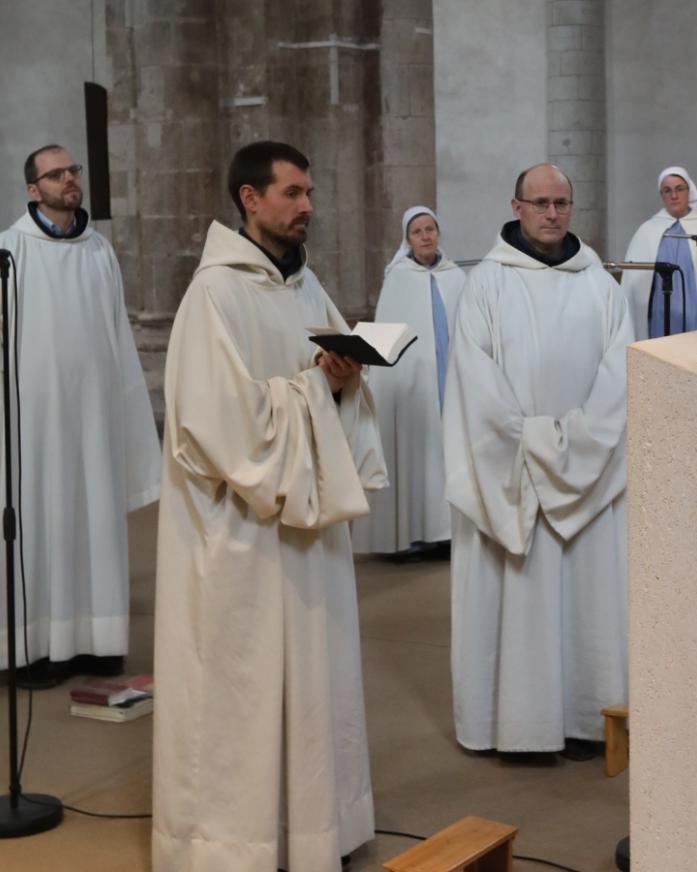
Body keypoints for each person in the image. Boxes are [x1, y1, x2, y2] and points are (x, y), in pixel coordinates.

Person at [152, 141, 387, 871]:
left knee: (313, 685)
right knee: (240, 691)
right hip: (240, 537)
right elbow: (218, 426)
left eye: (310, 192)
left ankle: (312, 829)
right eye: (292, 193)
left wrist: (344, 382)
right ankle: (235, 845)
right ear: (250, 199)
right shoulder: (214, 295)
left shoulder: (306, 289)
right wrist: (316, 390)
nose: (307, 205)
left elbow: (326, 391)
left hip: (306, 534)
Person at [443, 163, 631, 758]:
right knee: (519, 598)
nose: (553, 214)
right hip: (515, 473)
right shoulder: (487, 284)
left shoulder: (600, 284)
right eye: (541, 203)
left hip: (585, 474)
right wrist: (545, 446)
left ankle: (586, 717)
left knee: (587, 602)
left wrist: (573, 444)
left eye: (562, 203)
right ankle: (516, 726)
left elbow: (622, 380)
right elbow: (476, 387)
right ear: (516, 206)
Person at [0, 144, 159, 688]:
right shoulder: (9, 251)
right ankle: (33, 648)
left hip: (93, 419)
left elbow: (117, 337)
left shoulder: (98, 252)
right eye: (56, 174)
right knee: (39, 522)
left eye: (73, 171)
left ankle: (96, 641)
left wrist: (125, 412)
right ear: (32, 189)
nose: (69, 179)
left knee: (93, 517)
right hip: (32, 425)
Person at [352, 206, 465, 557]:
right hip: (413, 388)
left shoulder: (456, 276)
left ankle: (448, 532)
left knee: (449, 453)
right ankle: (412, 536)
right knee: (417, 455)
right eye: (418, 231)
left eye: (431, 229)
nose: (426, 236)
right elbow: (389, 339)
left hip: (450, 381)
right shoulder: (398, 278)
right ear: (408, 239)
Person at [621, 165, 697, 339]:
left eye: (679, 189)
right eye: (667, 190)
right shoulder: (647, 230)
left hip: (696, 316)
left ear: (689, 190)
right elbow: (633, 284)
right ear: (661, 195)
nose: (674, 195)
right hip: (657, 314)